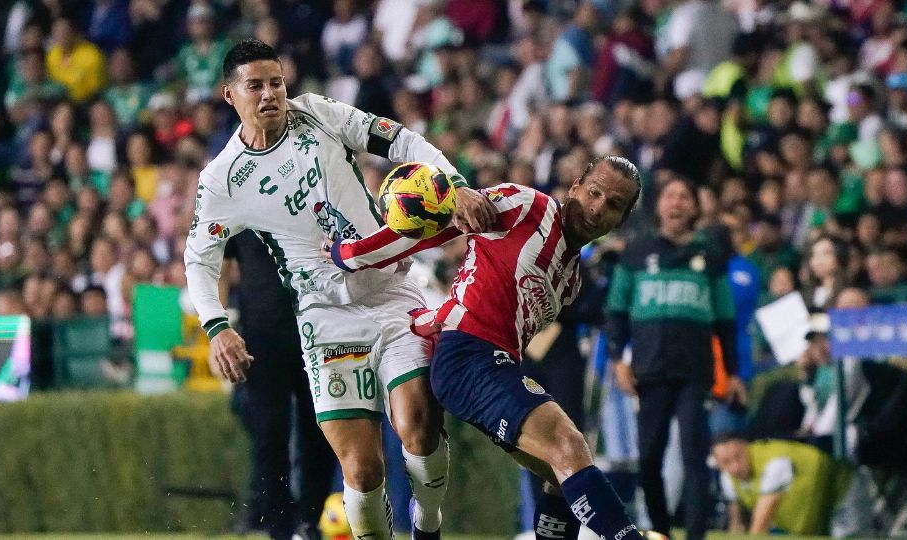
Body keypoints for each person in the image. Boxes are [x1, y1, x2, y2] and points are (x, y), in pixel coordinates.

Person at [184, 39, 493, 540]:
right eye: (255, 85)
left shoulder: (319, 114)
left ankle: (427, 526)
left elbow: (402, 141)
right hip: (325, 319)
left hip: (392, 293)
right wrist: (217, 327)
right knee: (362, 470)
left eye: (276, 83)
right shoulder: (222, 180)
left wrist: (454, 184)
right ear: (229, 95)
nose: (270, 95)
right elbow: (199, 260)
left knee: (418, 423)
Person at [328, 156, 649, 540]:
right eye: (594, 192)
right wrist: (353, 254)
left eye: (613, 204)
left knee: (563, 472)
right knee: (569, 446)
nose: (597, 207)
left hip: (498, 366)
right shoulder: (526, 205)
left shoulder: (571, 281)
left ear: (622, 219)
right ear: (576, 184)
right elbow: (434, 225)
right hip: (467, 355)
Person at [605, 177, 746, 540]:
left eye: (685, 196)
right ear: (658, 206)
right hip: (649, 370)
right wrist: (618, 359)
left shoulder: (710, 256)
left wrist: (731, 372)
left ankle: (695, 536)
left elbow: (725, 319)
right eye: (670, 196)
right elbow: (616, 311)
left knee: (694, 457)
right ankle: (661, 532)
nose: (677, 203)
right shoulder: (636, 252)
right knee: (649, 459)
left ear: (695, 207)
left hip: (694, 370)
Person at [221, 231, 334, 540]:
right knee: (270, 434)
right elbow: (219, 262)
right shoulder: (239, 201)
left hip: (317, 331)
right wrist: (219, 327)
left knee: (320, 430)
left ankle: (310, 519)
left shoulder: (307, 192)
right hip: (260, 338)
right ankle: (280, 526)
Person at [711, 433, 845, 536]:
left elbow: (759, 528)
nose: (735, 467)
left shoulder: (774, 463)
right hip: (816, 522)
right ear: (717, 464)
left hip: (844, 496)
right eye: (726, 462)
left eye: (738, 456)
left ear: (746, 447)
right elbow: (736, 524)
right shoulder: (728, 479)